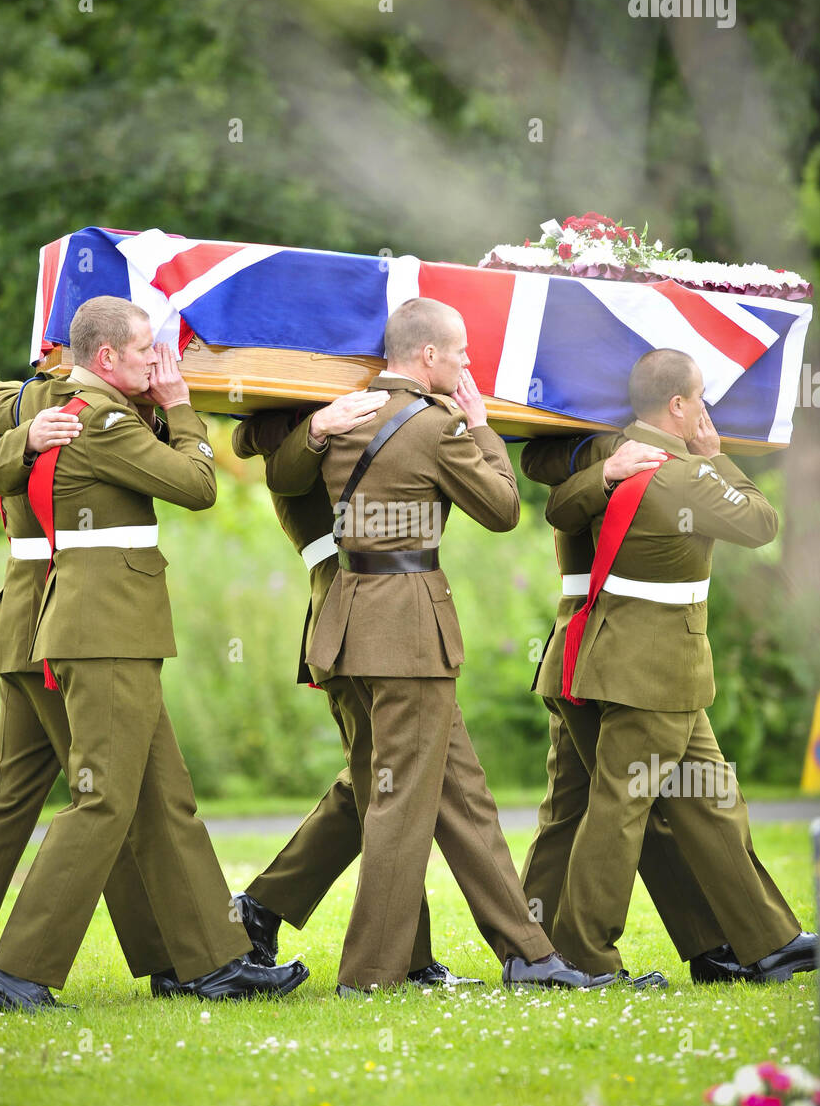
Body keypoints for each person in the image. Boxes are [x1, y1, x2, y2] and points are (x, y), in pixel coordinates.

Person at [267, 295, 617, 993]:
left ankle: (527, 953)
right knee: (399, 803)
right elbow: (502, 509)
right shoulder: (436, 427)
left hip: (351, 623)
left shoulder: (342, 415)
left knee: (464, 800)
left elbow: (282, 477)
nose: (466, 365)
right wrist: (483, 430)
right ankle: (369, 974)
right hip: (407, 635)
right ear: (427, 356)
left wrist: (311, 433)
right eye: (459, 353)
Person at [0, 296, 308, 1010]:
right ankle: (20, 974)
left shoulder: (63, 404)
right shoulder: (103, 418)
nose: (160, 359)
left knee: (164, 800)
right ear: (103, 359)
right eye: (146, 348)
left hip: (92, 623)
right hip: (104, 629)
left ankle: (208, 961)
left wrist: (26, 432)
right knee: (103, 800)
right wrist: (182, 407)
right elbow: (197, 485)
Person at [541, 347, 816, 981]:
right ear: (678, 406)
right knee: (622, 808)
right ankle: (585, 956)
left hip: (628, 665)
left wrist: (605, 468)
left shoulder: (608, 459)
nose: (705, 411)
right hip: (654, 671)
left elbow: (557, 501)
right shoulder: (687, 475)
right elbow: (761, 523)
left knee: (710, 802)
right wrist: (715, 452)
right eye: (700, 401)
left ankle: (764, 940)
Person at [0, 378, 191, 1002]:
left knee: (20, 797)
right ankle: (166, 958)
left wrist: (25, 422)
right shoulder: (66, 410)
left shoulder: (28, 405)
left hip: (26, 620)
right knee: (111, 794)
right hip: (61, 624)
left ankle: (170, 956)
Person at [230, 401, 480, 987]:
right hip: (366, 618)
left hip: (352, 616)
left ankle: (278, 912)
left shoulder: (316, 433)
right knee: (387, 781)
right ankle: (277, 913)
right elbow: (254, 435)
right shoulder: (307, 438)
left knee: (380, 781)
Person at [518, 432, 745, 983]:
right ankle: (563, 954)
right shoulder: (603, 445)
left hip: (592, 653)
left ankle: (530, 949)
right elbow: (537, 463)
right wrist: (610, 462)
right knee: (620, 804)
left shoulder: (616, 447)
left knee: (581, 805)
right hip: (613, 654)